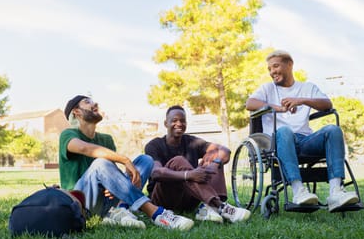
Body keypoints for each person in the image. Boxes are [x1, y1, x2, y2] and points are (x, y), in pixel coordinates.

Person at [245, 50, 359, 212]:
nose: (272, 72)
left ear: (289, 65)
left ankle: (336, 192)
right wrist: (276, 108)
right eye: (269, 69)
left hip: (305, 141)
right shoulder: (267, 89)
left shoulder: (307, 87)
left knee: (333, 130)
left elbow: (328, 105)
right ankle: (299, 191)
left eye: (276, 66)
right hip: (279, 141)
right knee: (284, 131)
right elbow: (249, 103)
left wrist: (301, 100)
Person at [59, 95, 194, 230]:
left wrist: (111, 186)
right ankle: (156, 213)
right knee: (100, 163)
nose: (95, 104)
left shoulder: (106, 139)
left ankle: (121, 209)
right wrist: (125, 160)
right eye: (88, 102)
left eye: (94, 101)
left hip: (106, 202)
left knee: (145, 160)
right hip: (81, 201)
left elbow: (110, 170)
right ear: (76, 112)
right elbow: (85, 148)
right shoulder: (68, 134)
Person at [144, 105, 251, 224]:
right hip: (164, 200)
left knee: (213, 156)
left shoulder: (191, 141)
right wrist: (188, 175)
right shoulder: (154, 145)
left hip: (189, 200)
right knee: (178, 161)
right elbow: (156, 173)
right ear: (166, 123)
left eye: (182, 121)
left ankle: (211, 209)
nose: (179, 124)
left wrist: (214, 164)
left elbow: (224, 150)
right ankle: (219, 205)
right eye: (174, 120)